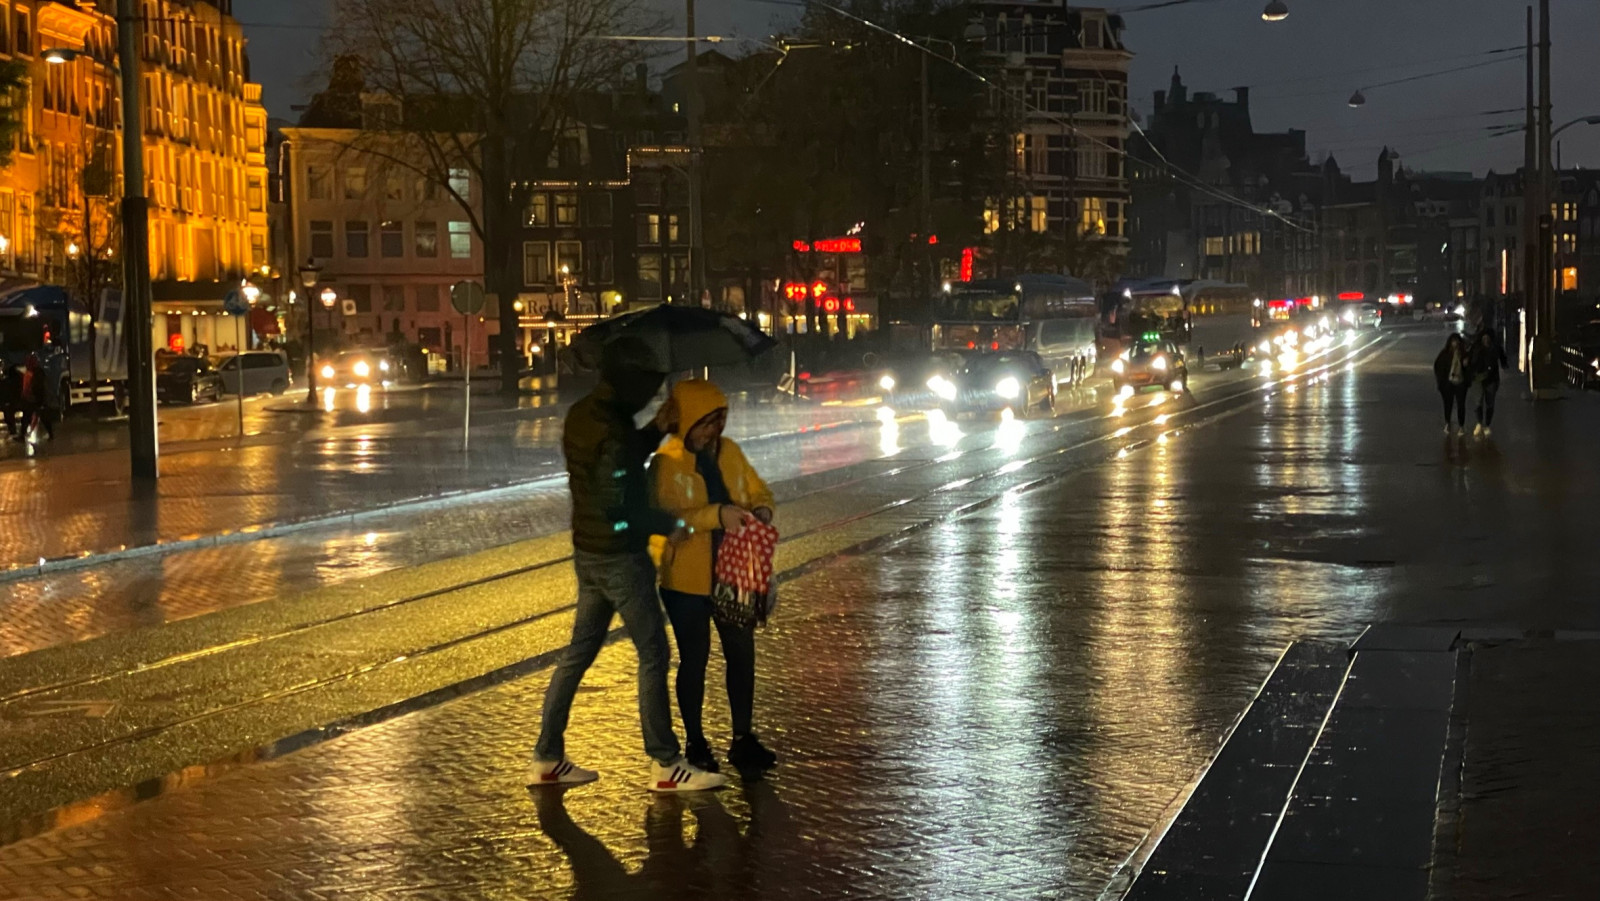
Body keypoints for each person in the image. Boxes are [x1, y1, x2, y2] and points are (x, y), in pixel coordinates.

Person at [531, 337, 727, 793]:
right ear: (631, 383)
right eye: (648, 386)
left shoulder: (585, 414)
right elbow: (619, 500)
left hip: (588, 552)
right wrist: (667, 524)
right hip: (620, 558)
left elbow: (612, 461)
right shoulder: (615, 427)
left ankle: (546, 757)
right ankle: (665, 762)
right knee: (654, 654)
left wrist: (656, 428)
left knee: (578, 653)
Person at [648, 379, 778, 776]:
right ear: (686, 421)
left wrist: (762, 509)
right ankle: (696, 741)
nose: (712, 432)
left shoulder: (731, 452)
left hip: (735, 574)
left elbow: (758, 490)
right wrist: (716, 515)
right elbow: (667, 519)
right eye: (705, 424)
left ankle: (742, 738)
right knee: (695, 660)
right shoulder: (665, 463)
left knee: (741, 654)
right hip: (686, 579)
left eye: (717, 423)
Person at [1468, 327, 1507, 437]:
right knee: (1478, 402)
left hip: (1491, 379)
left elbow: (1502, 358)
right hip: (1478, 379)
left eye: (1487, 338)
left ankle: (1487, 425)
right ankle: (1480, 423)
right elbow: (1470, 360)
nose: (1486, 340)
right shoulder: (1476, 348)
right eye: (1484, 338)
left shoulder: (1495, 348)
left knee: (1490, 403)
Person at [1433, 333, 1469, 436]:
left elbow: (1469, 369)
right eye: (1453, 341)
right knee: (1448, 404)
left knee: (1461, 404)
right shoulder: (1445, 354)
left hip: (1461, 383)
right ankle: (1448, 423)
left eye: (1457, 341)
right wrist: (1441, 380)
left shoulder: (1464, 354)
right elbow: (1437, 366)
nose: (1455, 344)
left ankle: (1461, 425)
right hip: (1448, 383)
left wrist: (1466, 367)